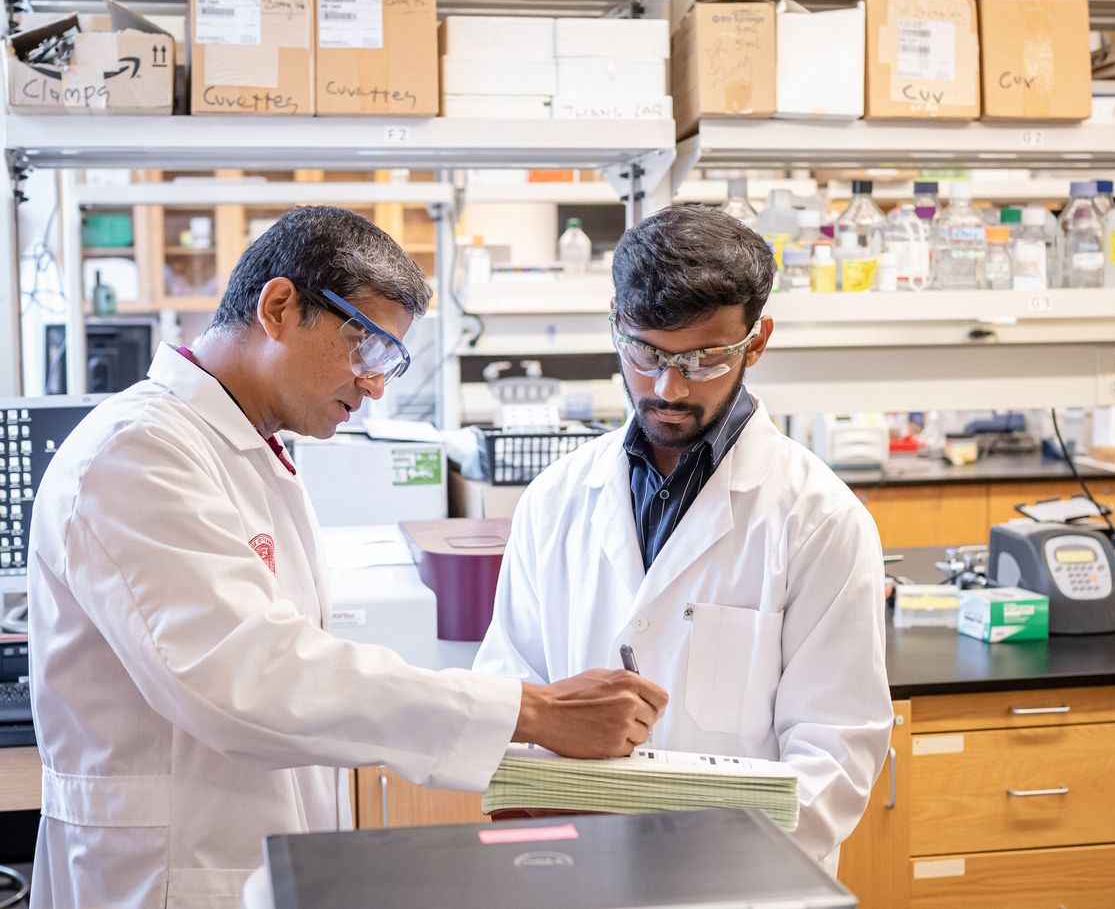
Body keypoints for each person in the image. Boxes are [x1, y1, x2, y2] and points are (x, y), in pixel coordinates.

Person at [27, 206, 668, 909]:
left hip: (247, 860)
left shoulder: (250, 450)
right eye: (367, 350)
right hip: (167, 876)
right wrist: (530, 709)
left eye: (390, 362)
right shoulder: (135, 452)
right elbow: (247, 680)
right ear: (279, 307)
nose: (375, 385)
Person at [474, 204, 892, 872]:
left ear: (756, 342)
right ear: (615, 320)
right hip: (579, 874)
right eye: (645, 352)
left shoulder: (819, 520)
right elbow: (509, 695)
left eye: (704, 359)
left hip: (740, 881)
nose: (668, 386)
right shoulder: (553, 502)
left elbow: (835, 756)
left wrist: (696, 865)